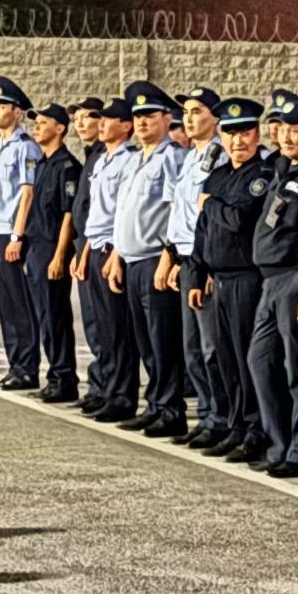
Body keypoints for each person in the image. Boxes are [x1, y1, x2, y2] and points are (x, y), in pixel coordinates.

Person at [189, 98, 269, 459]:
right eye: (231, 132)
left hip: (246, 280)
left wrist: (210, 204)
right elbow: (202, 233)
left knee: (246, 357)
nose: (239, 140)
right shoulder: (218, 177)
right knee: (225, 359)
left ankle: (255, 429)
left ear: (257, 134)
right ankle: (236, 425)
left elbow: (239, 220)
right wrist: (196, 274)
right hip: (217, 280)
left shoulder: (261, 177)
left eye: (246, 131)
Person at [245, 91, 298, 472]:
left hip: (294, 276)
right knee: (260, 362)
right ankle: (280, 445)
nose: (286, 136)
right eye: (282, 128)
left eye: (296, 129)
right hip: (269, 280)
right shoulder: (281, 168)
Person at [111, 85, 187, 437]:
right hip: (131, 259)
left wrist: (168, 258)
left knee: (162, 340)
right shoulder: (134, 158)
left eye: (150, 116)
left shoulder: (171, 158)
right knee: (145, 341)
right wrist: (116, 254)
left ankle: (170, 409)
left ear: (167, 119)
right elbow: (123, 212)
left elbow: (176, 211)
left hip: (154, 259)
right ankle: (155, 404)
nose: (142, 122)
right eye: (138, 116)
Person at [168, 83, 226, 444]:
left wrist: (204, 266)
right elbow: (180, 216)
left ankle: (219, 417)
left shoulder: (217, 158)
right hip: (187, 258)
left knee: (210, 346)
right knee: (191, 346)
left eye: (197, 112)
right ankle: (206, 415)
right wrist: (174, 258)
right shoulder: (191, 156)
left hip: (204, 260)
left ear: (215, 118)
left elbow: (209, 221)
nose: (189, 119)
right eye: (186, 113)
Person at [0, 78, 42, 392]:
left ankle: (27, 368)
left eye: (2, 106)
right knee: (5, 304)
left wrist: (17, 237)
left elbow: (27, 195)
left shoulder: (26, 148)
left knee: (20, 304)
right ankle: (14, 365)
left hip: (14, 236)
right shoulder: (1, 144)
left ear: (18, 112)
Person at [76, 99, 135, 419]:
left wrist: (116, 253)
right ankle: (105, 389)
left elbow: (122, 213)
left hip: (113, 250)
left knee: (117, 328)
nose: (101, 123)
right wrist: (84, 253)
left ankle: (121, 395)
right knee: (101, 327)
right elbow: (94, 217)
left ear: (125, 126)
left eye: (109, 119)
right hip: (95, 247)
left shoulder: (129, 160)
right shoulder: (101, 160)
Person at [23, 104, 84, 404]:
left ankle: (64, 378)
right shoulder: (43, 163)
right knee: (44, 317)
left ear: (60, 128)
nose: (37, 127)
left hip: (51, 246)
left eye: (44, 122)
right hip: (36, 246)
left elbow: (68, 215)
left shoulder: (66, 166)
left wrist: (61, 255)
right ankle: (55, 376)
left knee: (55, 315)